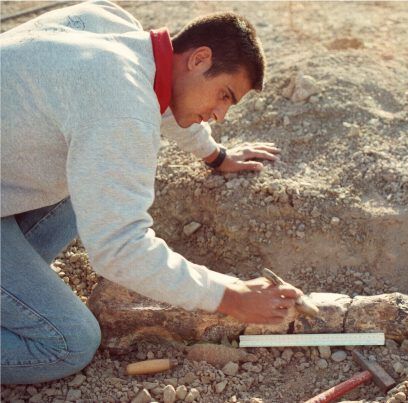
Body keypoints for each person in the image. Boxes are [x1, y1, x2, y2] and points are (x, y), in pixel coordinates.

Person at [0, 0, 302, 385]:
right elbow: (119, 247)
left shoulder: (111, 26)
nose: (221, 114)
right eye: (224, 95)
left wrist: (215, 154)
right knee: (70, 341)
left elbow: (159, 100)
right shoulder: (121, 105)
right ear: (199, 59)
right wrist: (231, 295)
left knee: (94, 178)